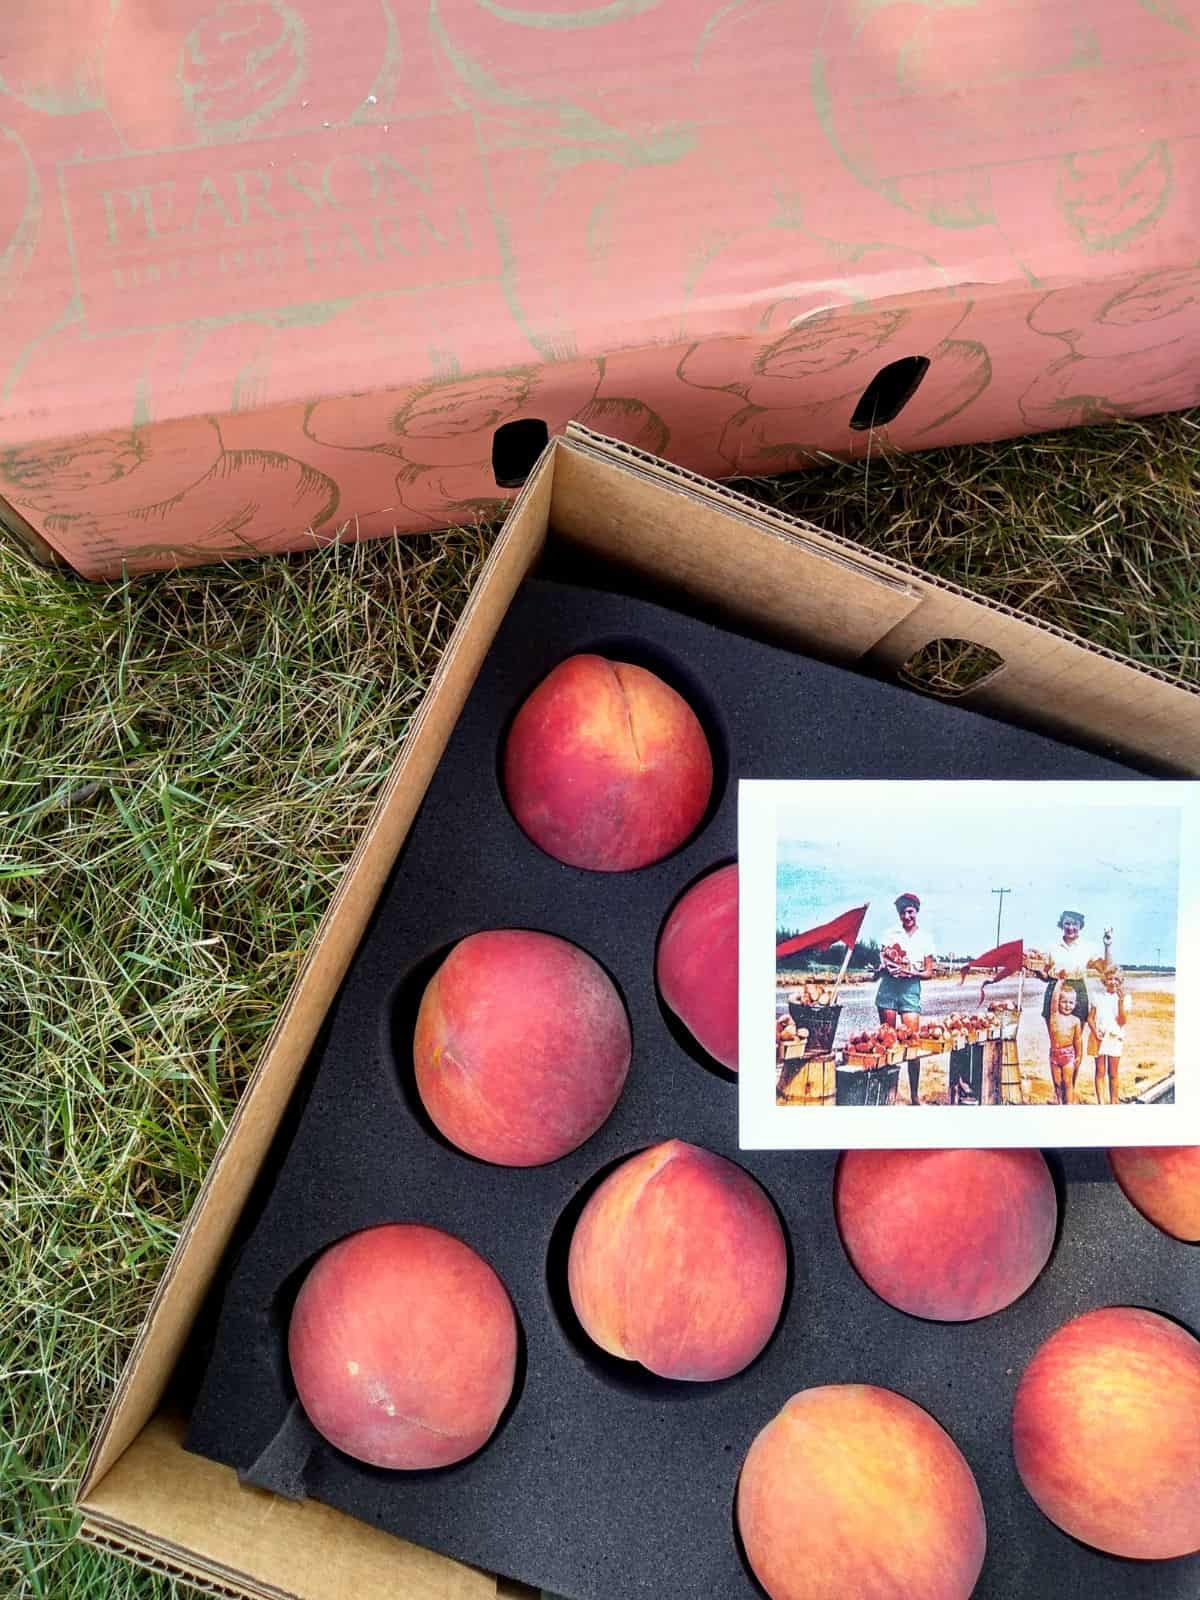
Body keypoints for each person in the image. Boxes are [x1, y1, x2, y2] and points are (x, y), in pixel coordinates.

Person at [876, 892, 936, 1105]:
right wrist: (885, 967)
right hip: (889, 989)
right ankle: (888, 1094)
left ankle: (914, 1095)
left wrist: (913, 973)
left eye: (910, 912)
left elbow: (929, 971)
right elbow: (884, 959)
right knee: (888, 1042)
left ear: (916, 912)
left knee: (913, 1042)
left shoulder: (925, 938)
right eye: (903, 913)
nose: (907, 916)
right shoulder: (890, 934)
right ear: (899, 915)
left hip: (911, 989)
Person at [1038, 910, 1105, 1042]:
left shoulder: (1087, 947)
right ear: (1061, 925)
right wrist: (1035, 969)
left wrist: (1107, 945)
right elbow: (1045, 976)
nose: (1070, 928)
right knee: (1056, 1040)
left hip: (1078, 990)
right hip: (1055, 990)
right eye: (1067, 923)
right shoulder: (1052, 947)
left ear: (1081, 926)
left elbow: (1104, 969)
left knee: (1076, 1040)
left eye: (1075, 924)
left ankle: (1073, 1063)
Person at [1090, 967, 1130, 1105]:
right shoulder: (1098, 997)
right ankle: (1101, 1103)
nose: (1113, 982)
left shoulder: (1126, 999)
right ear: (1104, 980)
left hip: (1115, 1037)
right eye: (1110, 979)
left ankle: (1114, 1102)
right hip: (1099, 1037)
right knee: (1100, 1071)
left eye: (1116, 979)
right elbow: (1090, 1018)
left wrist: (1120, 1002)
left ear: (1121, 981)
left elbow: (1122, 1021)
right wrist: (1095, 1032)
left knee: (1113, 1073)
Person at [1047, 978, 1084, 1104]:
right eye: (1064, 1002)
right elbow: (1053, 999)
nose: (1067, 1005)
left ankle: (1069, 1105)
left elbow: (1078, 1040)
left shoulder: (1075, 1020)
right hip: (1054, 1055)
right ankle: (1059, 1103)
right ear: (1058, 1003)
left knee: (1068, 1082)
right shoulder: (1054, 1015)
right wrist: (1059, 982)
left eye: (1071, 1003)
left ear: (1075, 1004)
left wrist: (1079, 1055)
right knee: (1057, 1083)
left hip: (1068, 1054)